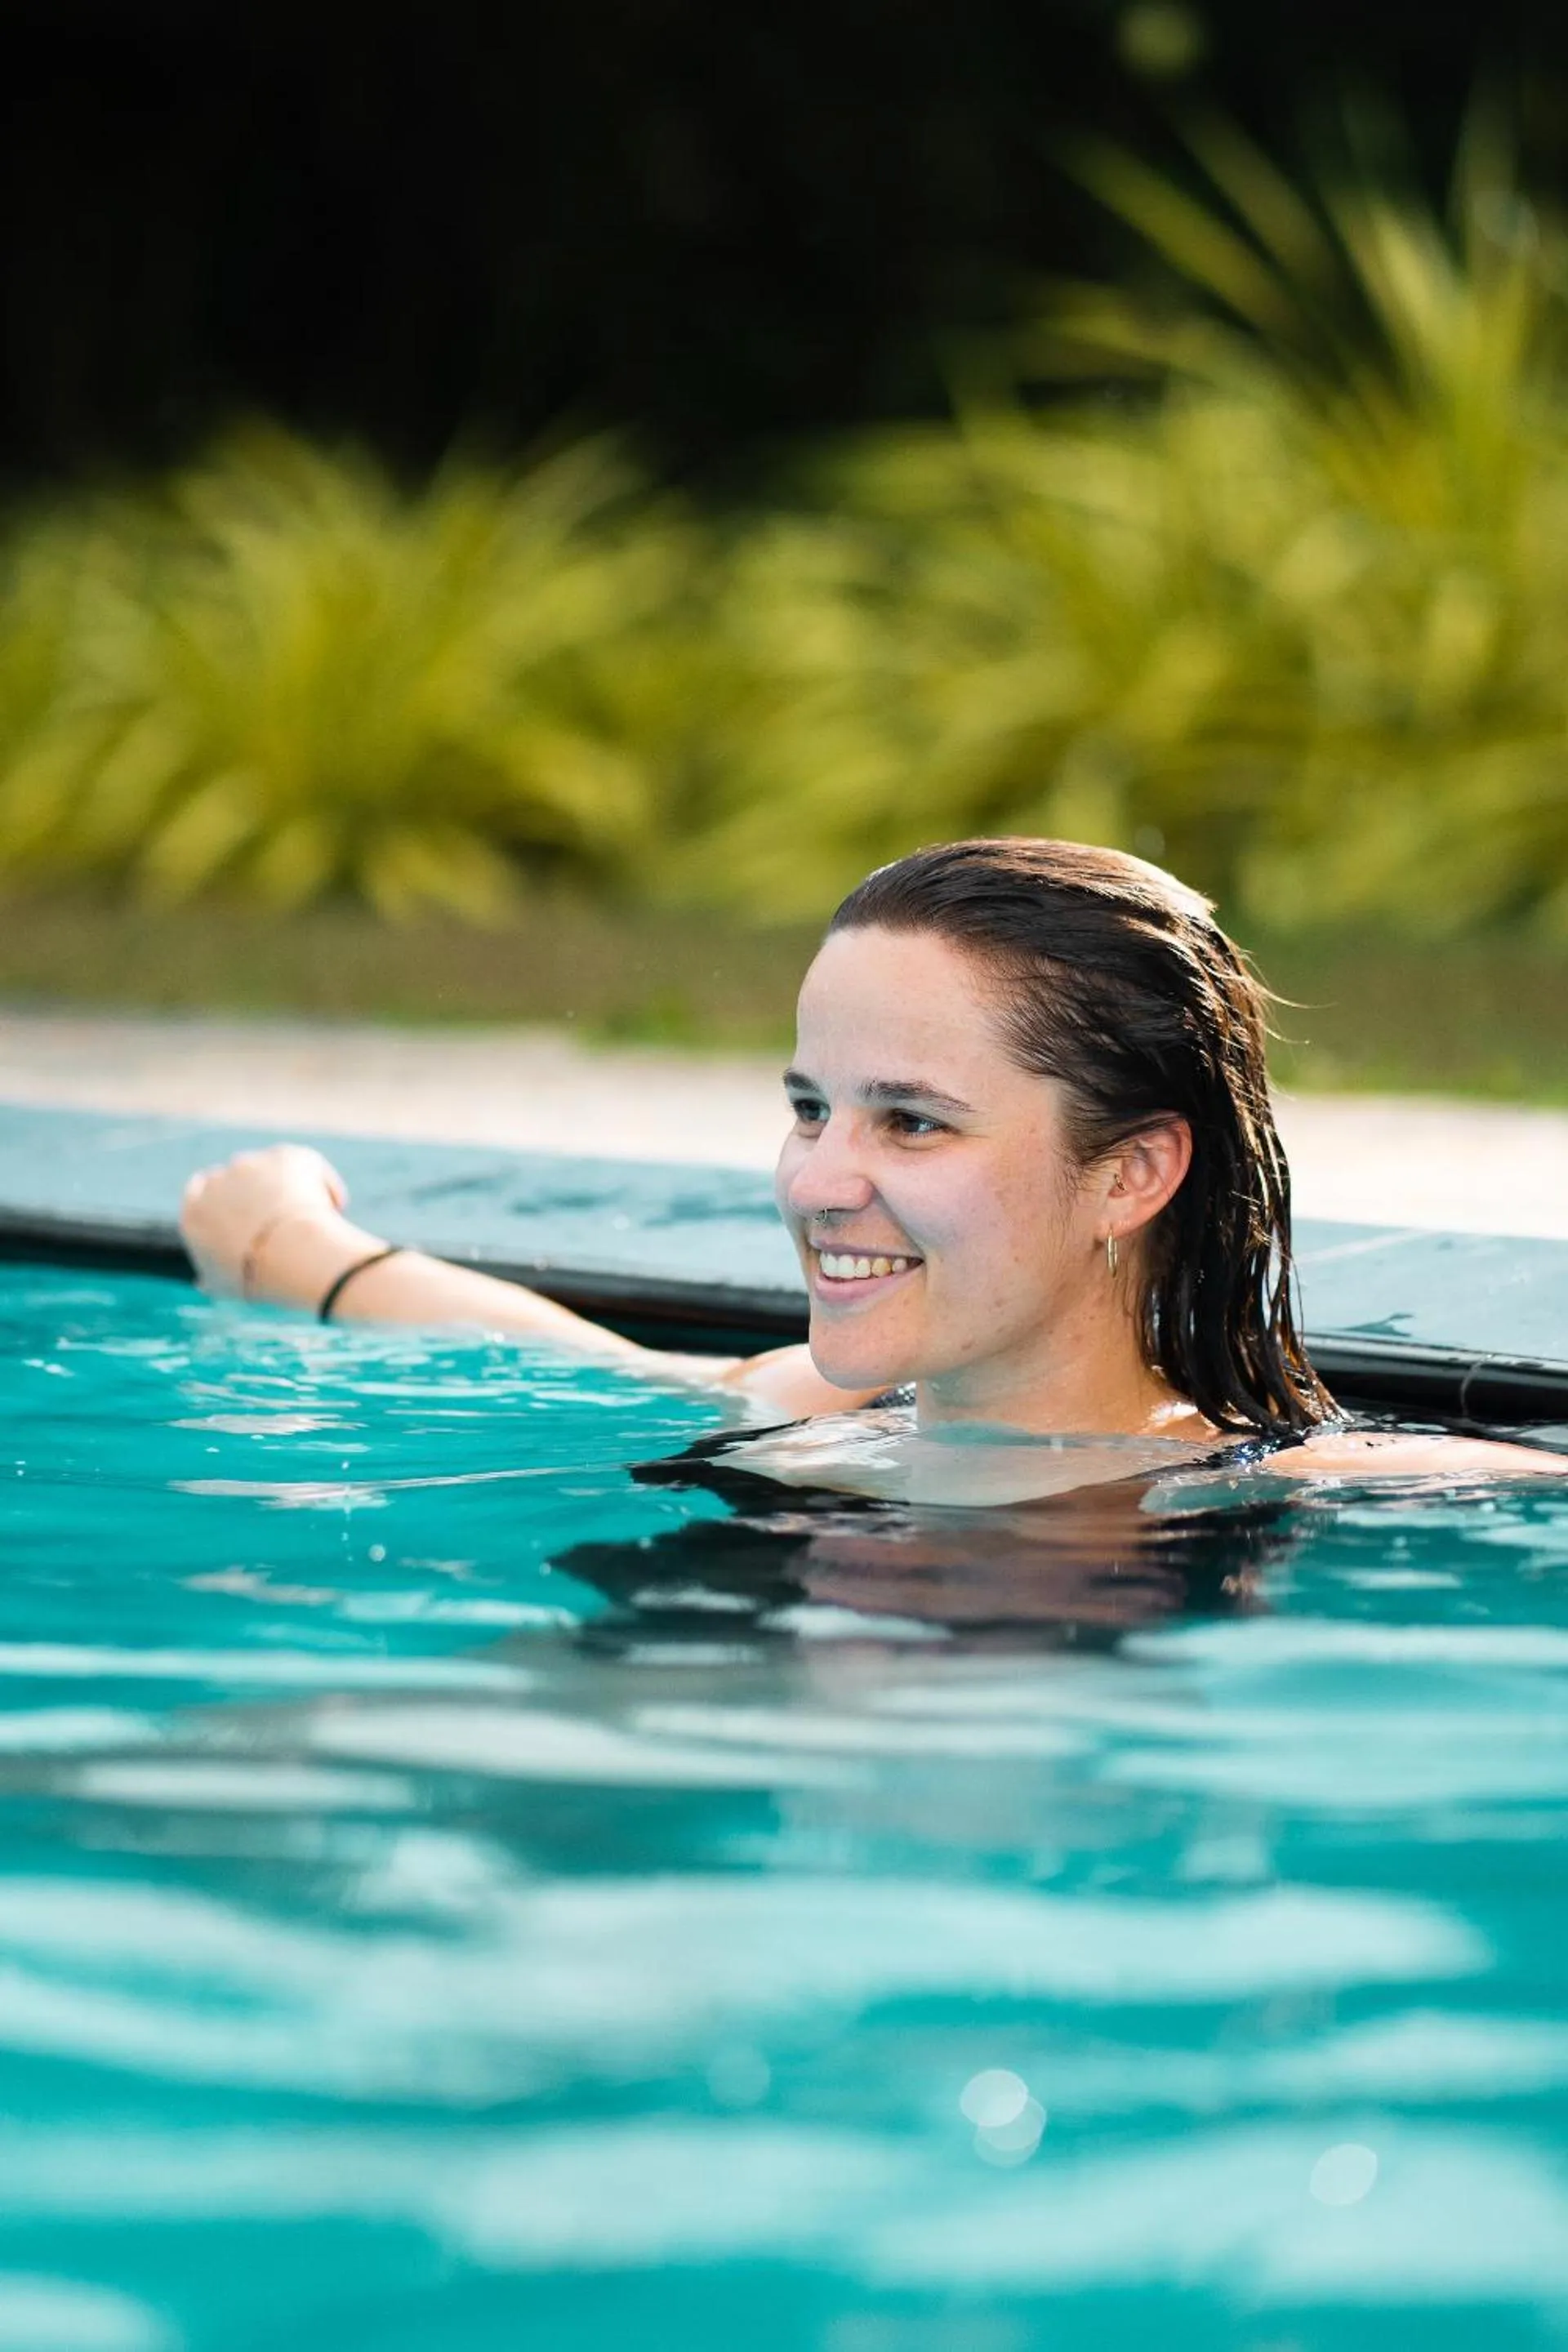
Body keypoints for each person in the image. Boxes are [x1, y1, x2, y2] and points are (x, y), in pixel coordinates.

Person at [180, 838, 1563, 1498]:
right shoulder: (822, 1401)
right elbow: (591, 1360)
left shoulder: (1283, 1487)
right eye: (809, 1108)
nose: (816, 1182)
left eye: (911, 1122)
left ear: (1131, 1175)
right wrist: (299, 1252)